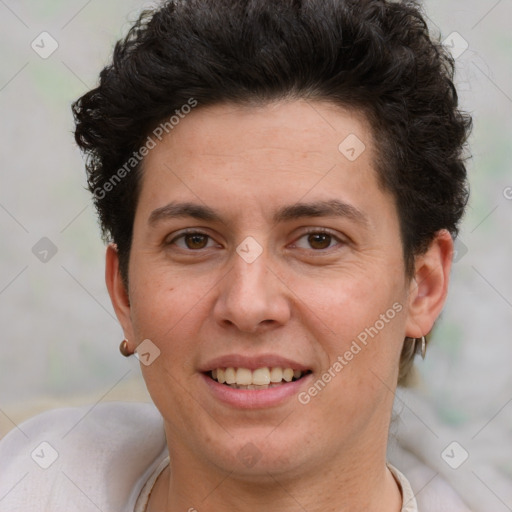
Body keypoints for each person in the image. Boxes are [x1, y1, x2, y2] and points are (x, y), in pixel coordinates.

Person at [0, 0, 473, 510]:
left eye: (318, 240)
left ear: (423, 286)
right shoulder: (34, 479)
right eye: (194, 240)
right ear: (124, 294)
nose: (248, 305)